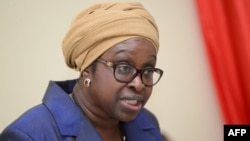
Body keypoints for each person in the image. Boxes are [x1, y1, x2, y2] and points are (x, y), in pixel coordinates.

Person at [0, 2, 164, 141]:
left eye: (148, 70)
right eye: (124, 68)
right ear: (87, 68)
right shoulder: (29, 135)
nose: (139, 83)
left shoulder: (146, 122)